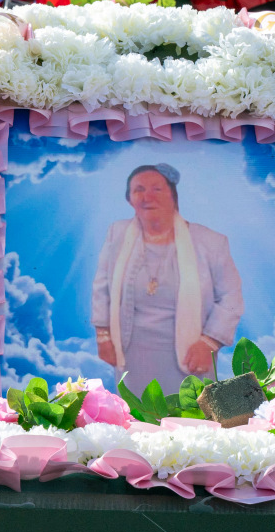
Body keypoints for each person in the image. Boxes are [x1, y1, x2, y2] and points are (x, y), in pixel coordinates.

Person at [91, 163, 243, 394]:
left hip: (190, 356)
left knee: (190, 422)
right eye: (138, 190)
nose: (147, 196)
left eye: (157, 189)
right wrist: (103, 337)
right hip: (132, 356)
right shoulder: (117, 234)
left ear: (173, 195)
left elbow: (231, 297)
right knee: (137, 419)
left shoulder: (210, 242)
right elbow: (102, 287)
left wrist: (209, 343)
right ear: (130, 199)